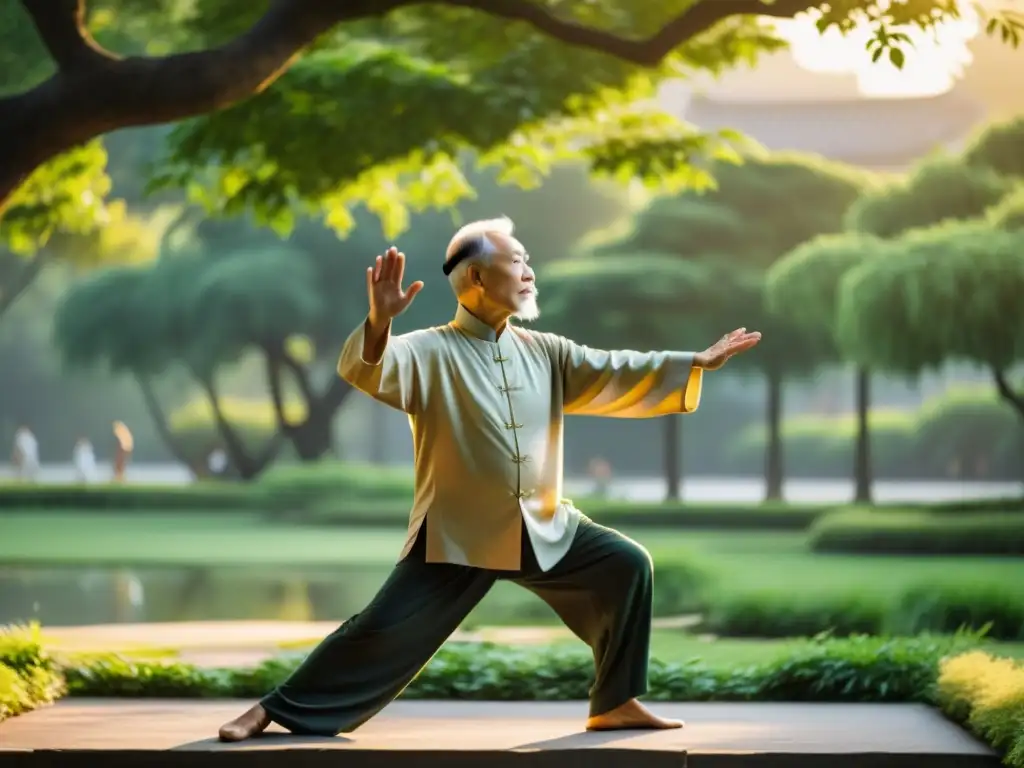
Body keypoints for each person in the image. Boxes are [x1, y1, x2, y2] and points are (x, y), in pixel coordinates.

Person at [218, 216, 761, 742]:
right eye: (517, 261)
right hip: (456, 536)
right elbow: (370, 370)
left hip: (542, 524)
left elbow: (613, 366)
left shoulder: (544, 351)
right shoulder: (429, 350)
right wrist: (380, 322)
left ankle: (615, 703)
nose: (529, 272)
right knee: (378, 629)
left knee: (627, 564)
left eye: (528, 261)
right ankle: (272, 710)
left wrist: (694, 361)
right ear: (476, 277)